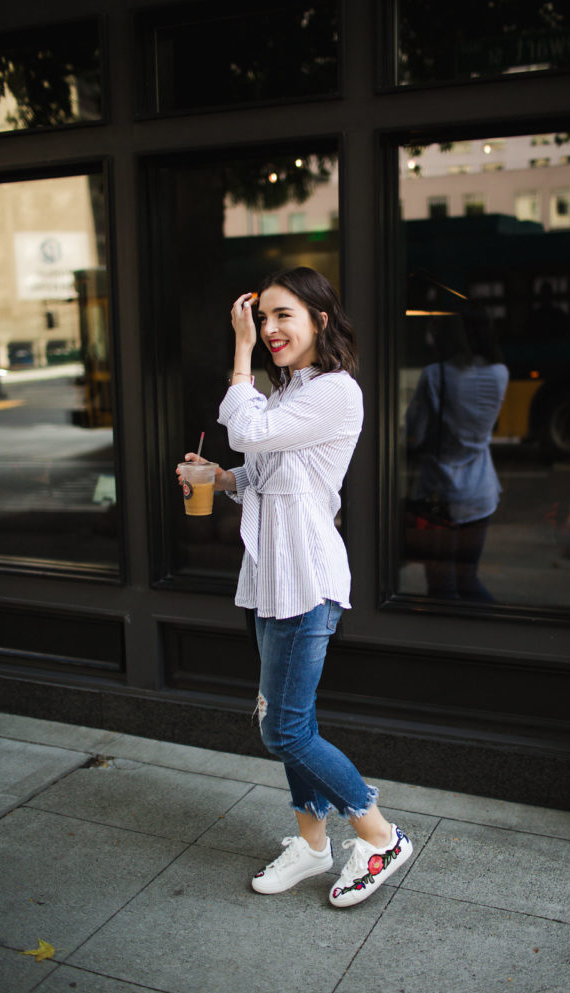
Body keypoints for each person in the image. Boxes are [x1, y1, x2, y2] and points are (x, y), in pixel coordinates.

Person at [177, 266, 412, 908]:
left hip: (306, 582)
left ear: (320, 321)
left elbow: (247, 429)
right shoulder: (286, 396)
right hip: (269, 580)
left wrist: (240, 350)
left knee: (284, 731)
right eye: (264, 317)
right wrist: (219, 478)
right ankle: (312, 844)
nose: (272, 328)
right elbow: (262, 478)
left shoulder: (336, 392)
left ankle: (379, 834)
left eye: (285, 316)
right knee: (287, 718)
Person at [405, 301, 508, 601]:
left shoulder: (436, 375)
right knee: (468, 580)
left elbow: (414, 432)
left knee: (442, 587)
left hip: (442, 495)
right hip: (482, 493)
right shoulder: (499, 372)